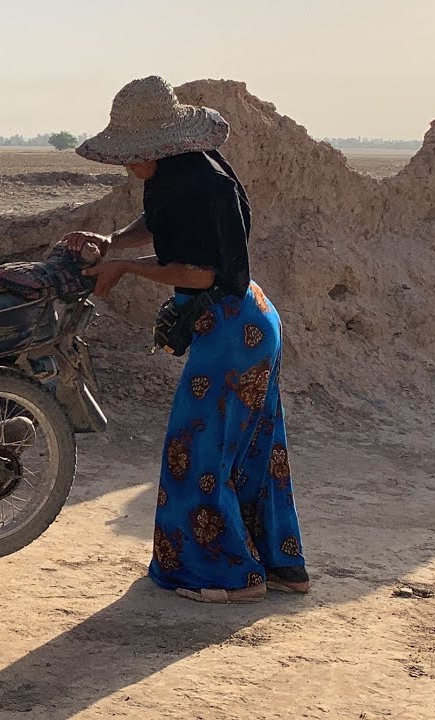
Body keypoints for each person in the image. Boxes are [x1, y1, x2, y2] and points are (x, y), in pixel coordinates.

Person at [64, 76, 309, 603]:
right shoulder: (184, 172)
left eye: (131, 156)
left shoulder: (199, 186)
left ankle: (225, 576)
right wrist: (114, 241)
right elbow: (160, 222)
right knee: (252, 450)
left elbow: (200, 272)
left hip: (231, 331)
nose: (128, 166)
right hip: (245, 322)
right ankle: (281, 568)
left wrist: (126, 266)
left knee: (198, 454)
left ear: (153, 148)